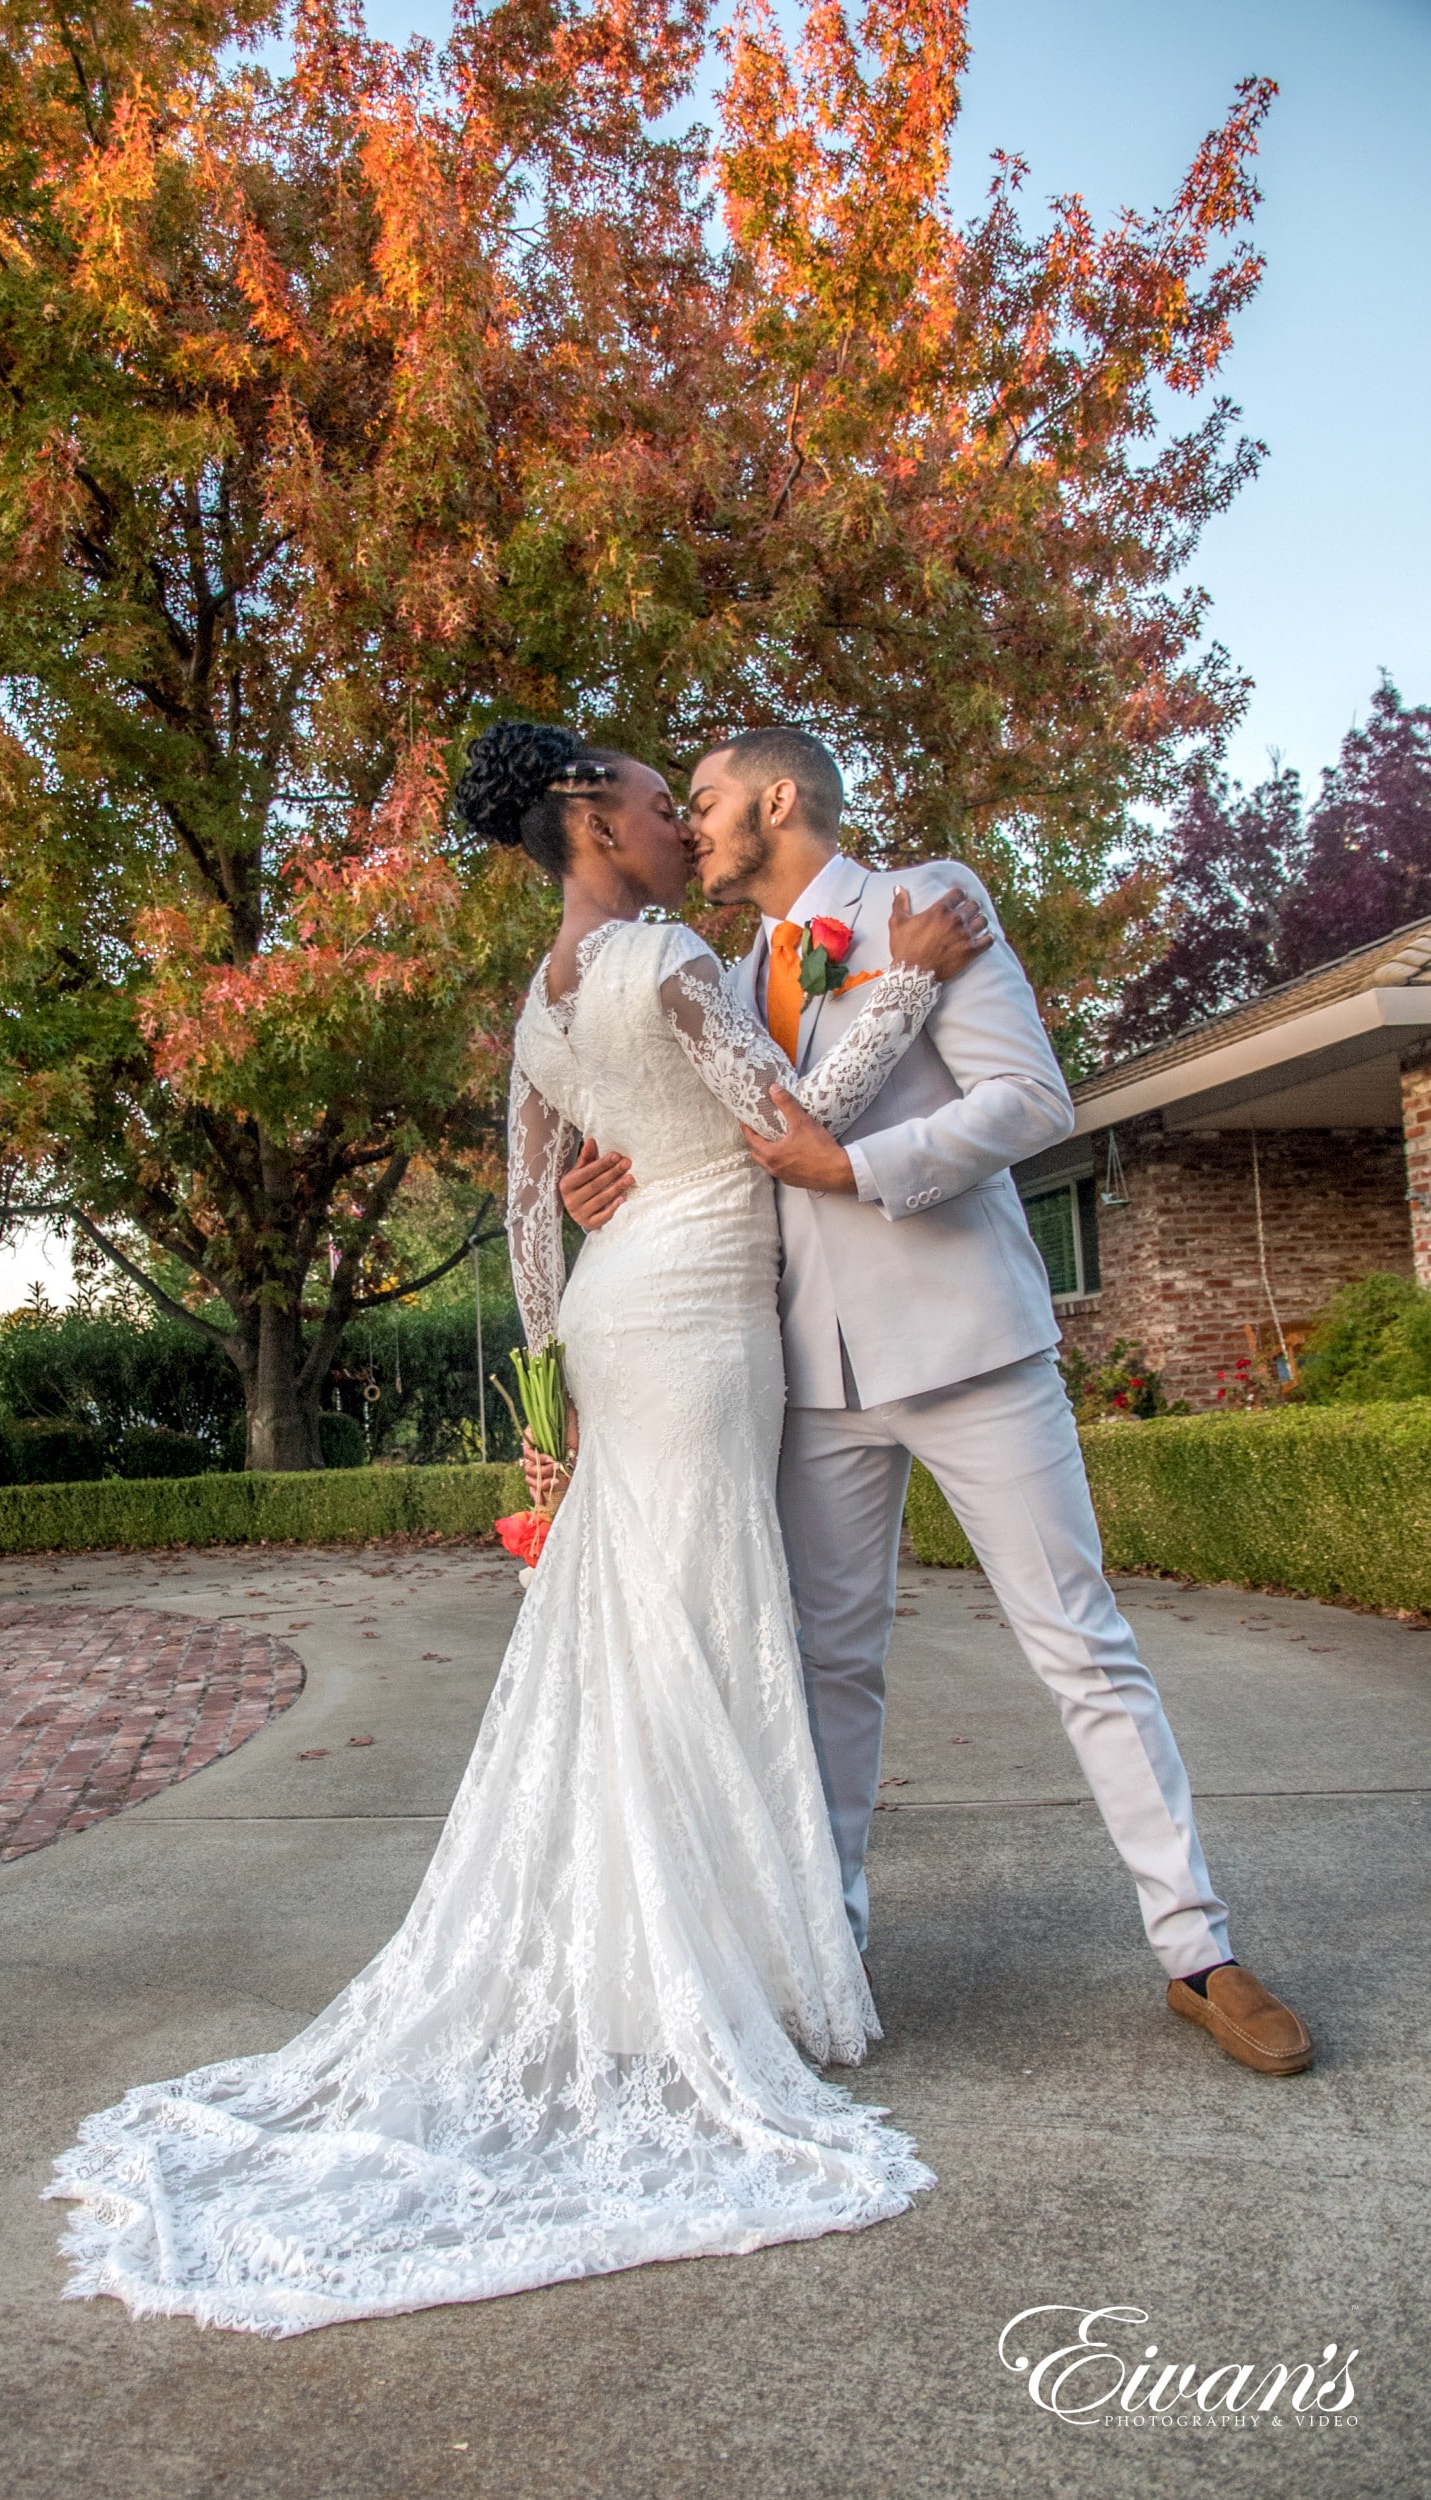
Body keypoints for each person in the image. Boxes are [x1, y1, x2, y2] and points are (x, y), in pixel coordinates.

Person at [45, 722, 991, 2336]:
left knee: (647, 1625)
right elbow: (787, 1121)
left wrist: (549, 1407)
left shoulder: (543, 1002)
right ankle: (713, 1978)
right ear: (587, 819)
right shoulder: (668, 958)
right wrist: (900, 983)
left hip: (626, 1318)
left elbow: (524, 1211)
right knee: (700, 1624)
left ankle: (676, 1952)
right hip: (700, 1311)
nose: (672, 819)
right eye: (645, 795)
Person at [560, 726, 1313, 2082]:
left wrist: (861, 1168)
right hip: (810, 1374)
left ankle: (1198, 1949)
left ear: (777, 801)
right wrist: (608, 1186)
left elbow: (1033, 1100)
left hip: (969, 1344)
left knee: (1082, 1645)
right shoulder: (723, 974)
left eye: (712, 801)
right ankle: (829, 1944)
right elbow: (725, 1157)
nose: (699, 826)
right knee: (827, 1673)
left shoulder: (926, 905)